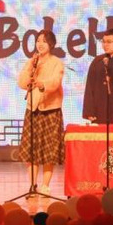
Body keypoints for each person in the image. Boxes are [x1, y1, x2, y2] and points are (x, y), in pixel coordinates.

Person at [17, 29, 65, 195]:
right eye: (38, 40)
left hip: (50, 110)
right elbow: (22, 82)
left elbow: (55, 82)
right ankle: (32, 185)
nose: (40, 44)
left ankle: (45, 185)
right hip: (33, 109)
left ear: (51, 44)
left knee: (48, 151)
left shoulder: (57, 63)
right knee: (32, 150)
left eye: (44, 41)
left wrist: (42, 84)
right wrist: (30, 69)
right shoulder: (32, 61)